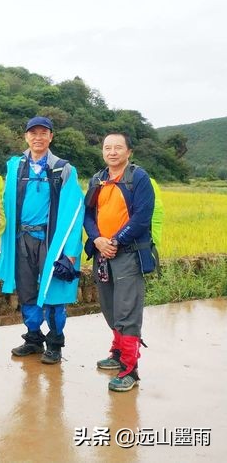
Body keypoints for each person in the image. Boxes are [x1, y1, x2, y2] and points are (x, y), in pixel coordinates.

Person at [0, 116, 84, 365]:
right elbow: (5, 204)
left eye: (43, 133)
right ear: (26, 137)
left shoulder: (64, 169)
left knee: (53, 291)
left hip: (50, 241)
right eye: (33, 133)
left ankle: (55, 343)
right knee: (26, 291)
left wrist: (70, 252)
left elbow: (74, 212)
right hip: (22, 239)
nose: (38, 137)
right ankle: (33, 338)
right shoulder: (16, 167)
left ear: (50, 137)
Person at [83, 133, 156, 392]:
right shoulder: (98, 179)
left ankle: (130, 369)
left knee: (127, 311)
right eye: (107, 147)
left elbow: (141, 218)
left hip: (128, 254)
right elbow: (88, 214)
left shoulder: (138, 178)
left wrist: (114, 241)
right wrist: (98, 239)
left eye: (118, 147)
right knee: (109, 306)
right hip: (102, 253)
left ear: (129, 151)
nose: (112, 152)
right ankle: (117, 353)